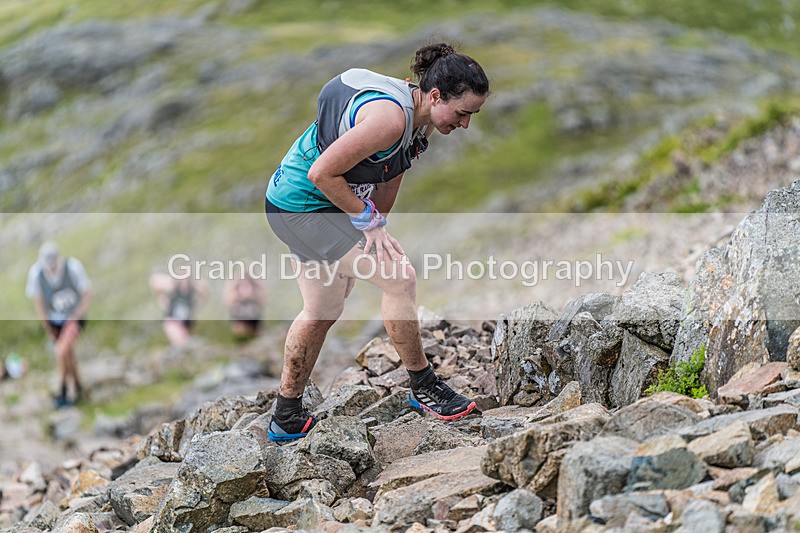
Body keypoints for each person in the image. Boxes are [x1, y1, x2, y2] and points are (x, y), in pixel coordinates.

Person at [264, 42, 490, 442]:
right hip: (302, 204)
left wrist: (371, 231)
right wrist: (366, 225)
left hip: (302, 204)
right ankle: (425, 387)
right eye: (462, 113)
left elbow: (388, 180)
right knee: (399, 279)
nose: (465, 124)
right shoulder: (389, 119)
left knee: (322, 307)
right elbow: (322, 174)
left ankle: (286, 414)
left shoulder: (416, 126)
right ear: (435, 95)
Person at [25, 242, 92, 408]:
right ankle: (78, 387)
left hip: (74, 317)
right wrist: (47, 326)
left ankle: (61, 390)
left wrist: (76, 316)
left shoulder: (73, 267)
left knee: (61, 351)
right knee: (67, 353)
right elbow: (39, 303)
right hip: (55, 321)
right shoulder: (36, 273)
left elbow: (87, 293)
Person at [149, 272, 208, 348]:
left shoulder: (191, 290)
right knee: (182, 344)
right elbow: (154, 280)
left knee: (188, 346)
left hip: (186, 325)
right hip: (173, 322)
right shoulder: (175, 287)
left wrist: (195, 283)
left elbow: (205, 290)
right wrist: (171, 281)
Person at [224, 269, 266, 341]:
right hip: (241, 319)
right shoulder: (235, 302)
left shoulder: (256, 300)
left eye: (247, 286)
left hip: (253, 323)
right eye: (243, 286)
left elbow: (263, 295)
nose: (245, 290)